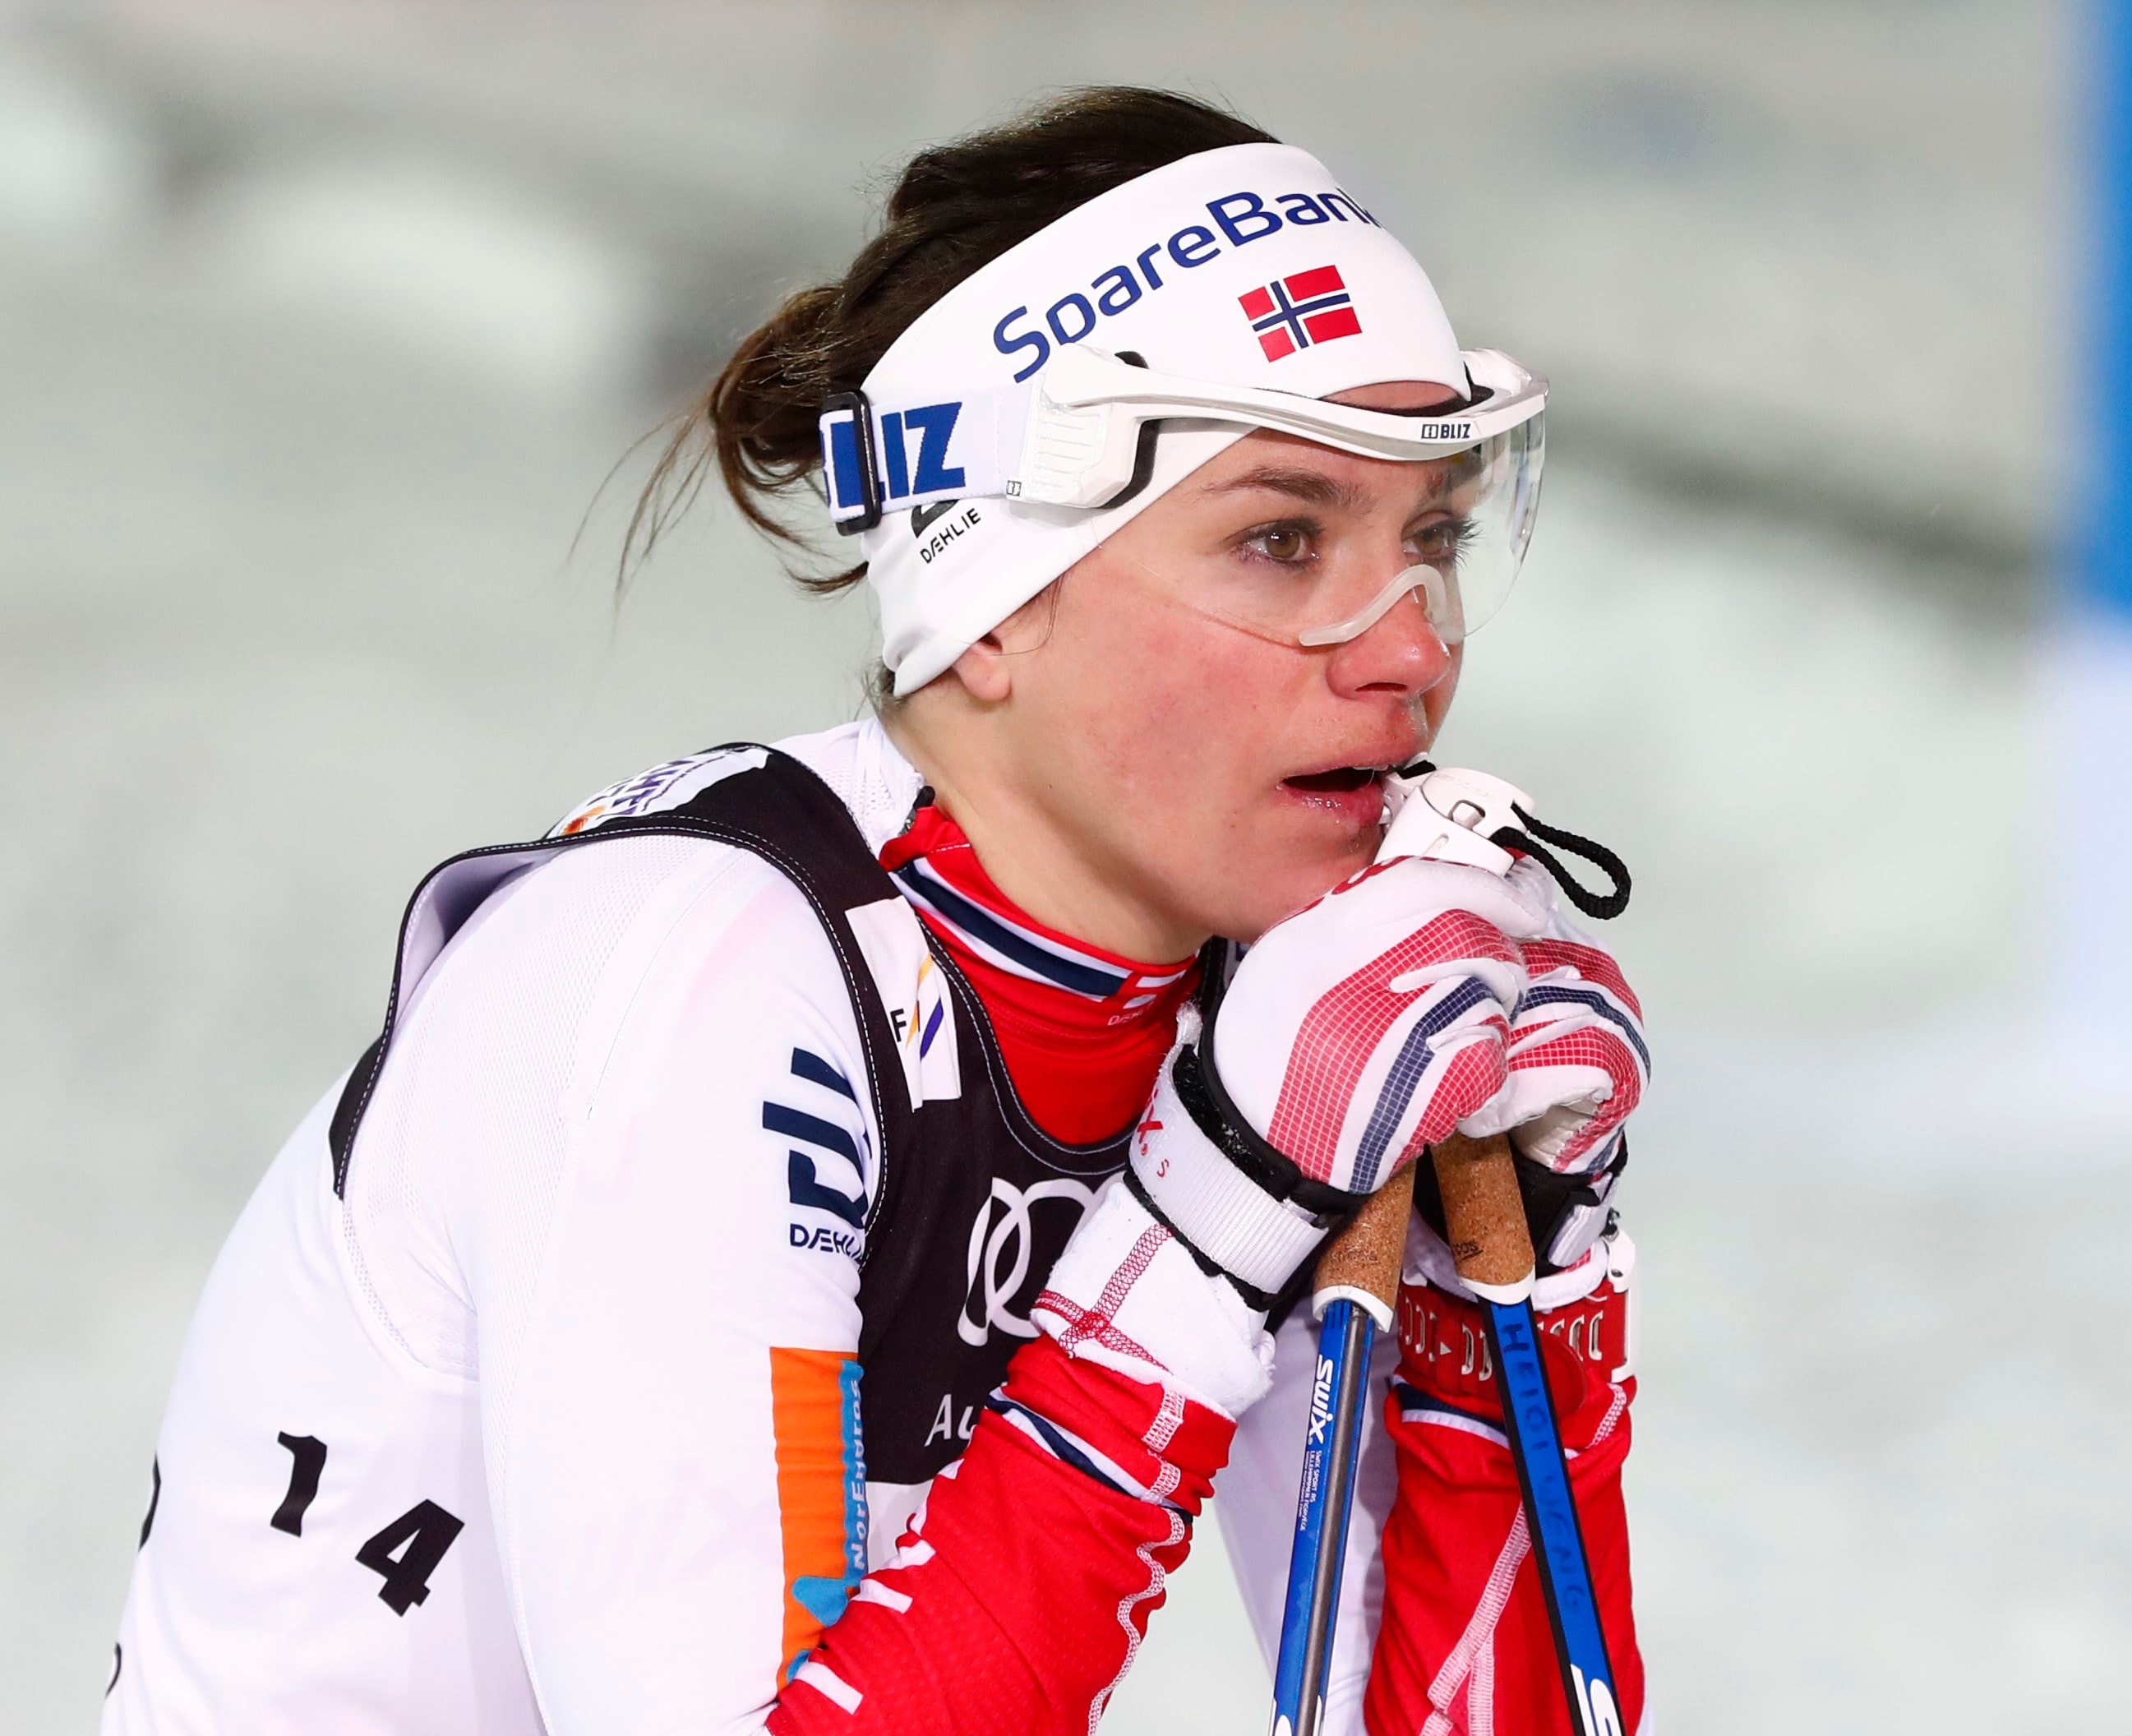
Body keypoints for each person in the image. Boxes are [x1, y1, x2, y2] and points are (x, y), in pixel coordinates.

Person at [103, 88, 1650, 1736]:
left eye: (1435, 536)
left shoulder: (1253, 1007)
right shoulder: (698, 973)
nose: (1411, 647)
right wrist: (1207, 1234)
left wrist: (1513, 1307)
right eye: (1282, 538)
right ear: (993, 601)